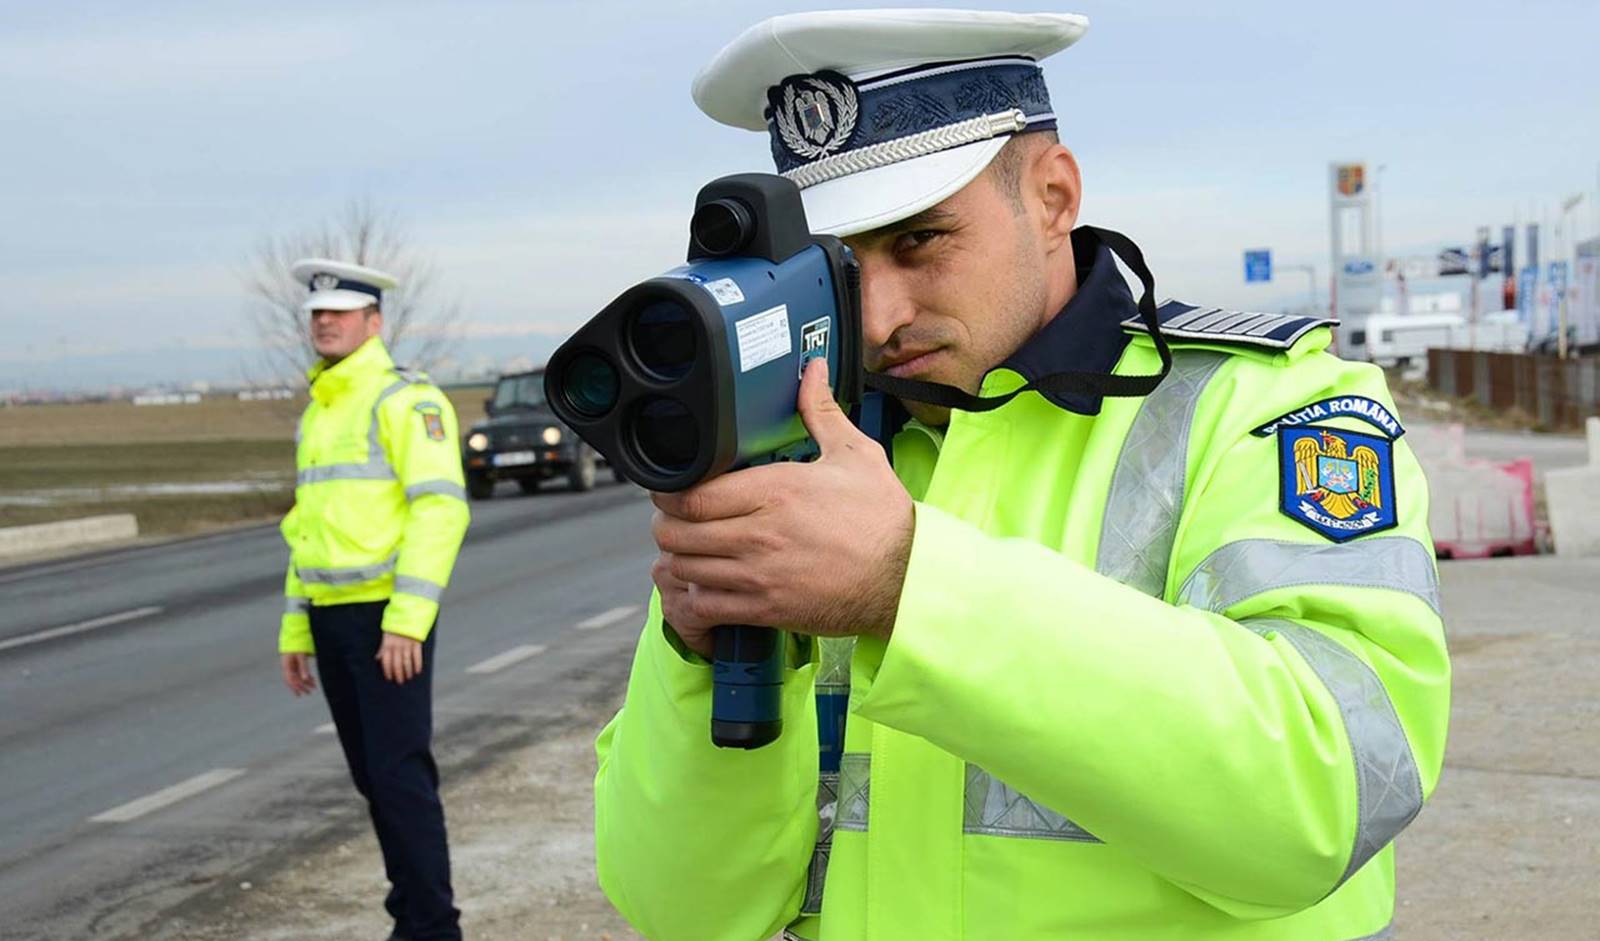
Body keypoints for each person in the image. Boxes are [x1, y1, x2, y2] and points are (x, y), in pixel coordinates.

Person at [594, 9, 1450, 941]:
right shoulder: (801, 464)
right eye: (839, 269)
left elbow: (1331, 794)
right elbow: (683, 910)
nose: (878, 318)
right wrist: (701, 654)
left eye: (921, 241)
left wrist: (906, 584)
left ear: (1051, 196)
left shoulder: (1271, 408)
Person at [278, 258, 470, 941]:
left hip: (387, 619)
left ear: (373, 320)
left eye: (339, 311)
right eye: (316, 313)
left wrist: (408, 623)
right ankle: (412, 916)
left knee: (399, 776)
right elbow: (306, 529)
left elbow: (440, 513)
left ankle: (435, 927)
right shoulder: (321, 411)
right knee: (372, 778)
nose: (324, 321)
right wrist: (296, 630)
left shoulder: (405, 401)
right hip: (331, 621)